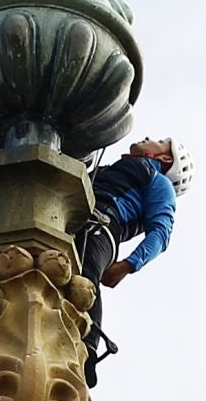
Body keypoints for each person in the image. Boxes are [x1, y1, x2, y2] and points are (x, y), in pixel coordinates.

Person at [78, 136, 194, 386]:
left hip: (99, 227)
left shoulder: (158, 181)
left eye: (161, 142)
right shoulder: (108, 170)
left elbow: (161, 233)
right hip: (72, 216)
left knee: (85, 278)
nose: (149, 138)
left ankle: (86, 348)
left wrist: (128, 265)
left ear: (164, 159)